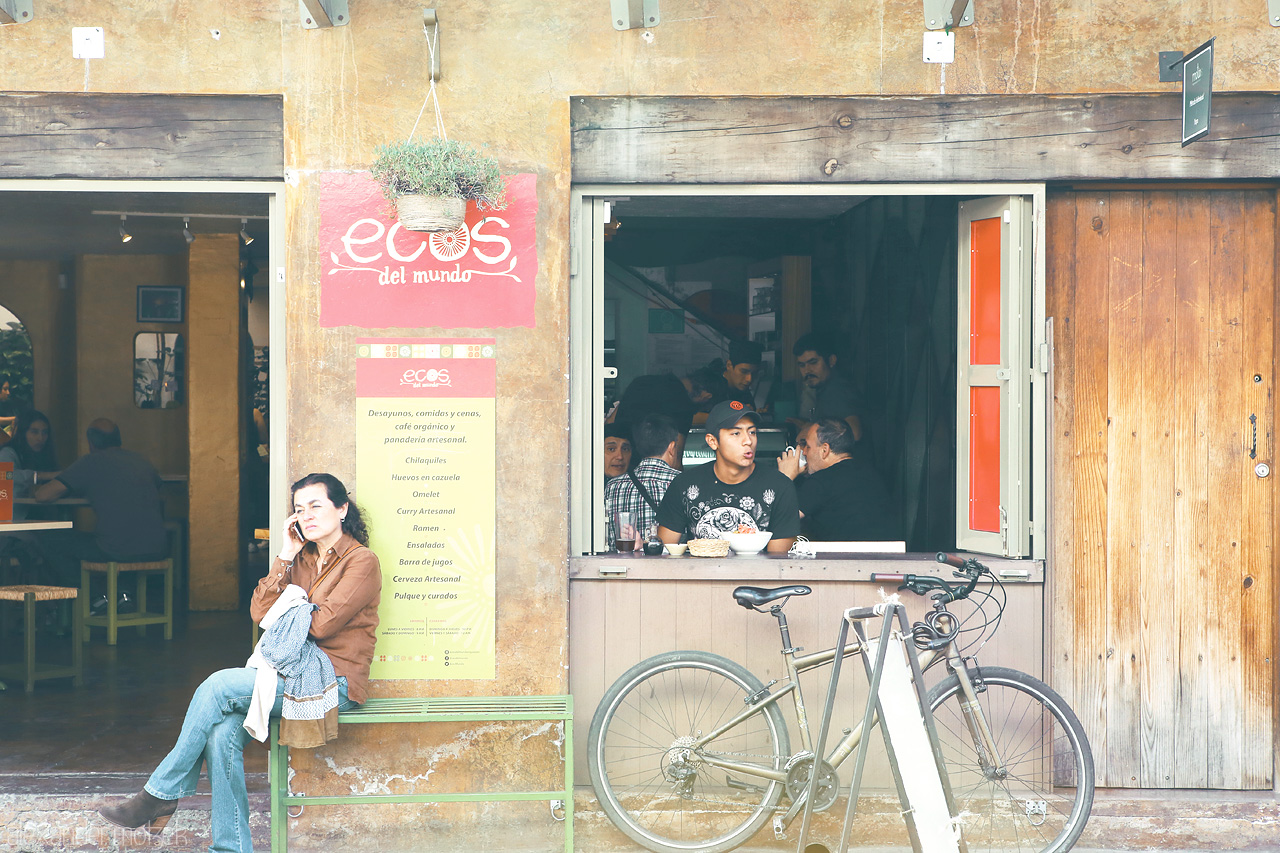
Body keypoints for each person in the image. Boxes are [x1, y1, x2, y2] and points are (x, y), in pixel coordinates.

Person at [97, 473, 381, 852]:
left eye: (316, 506)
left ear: (342, 509)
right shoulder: (301, 559)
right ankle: (230, 848)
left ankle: (159, 795)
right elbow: (260, 612)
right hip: (289, 673)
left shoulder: (361, 562)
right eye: (299, 509)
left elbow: (322, 625)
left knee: (218, 685)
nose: (307, 516)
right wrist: (286, 555)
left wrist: (291, 609)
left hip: (333, 681)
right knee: (221, 735)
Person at [35, 418, 167, 586]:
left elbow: (43, 495)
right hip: (158, 548)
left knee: (49, 540)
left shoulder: (90, 462)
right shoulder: (141, 461)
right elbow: (156, 487)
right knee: (115, 539)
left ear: (91, 442)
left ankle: (91, 594)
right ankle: (121, 592)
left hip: (116, 550)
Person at [657, 400, 800, 553]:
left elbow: (778, 561)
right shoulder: (685, 485)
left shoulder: (779, 487)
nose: (748, 441)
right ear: (712, 441)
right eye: (736, 433)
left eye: (752, 432)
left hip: (759, 569)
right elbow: (664, 552)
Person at [777, 418, 899, 541]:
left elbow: (780, 520)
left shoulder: (822, 480)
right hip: (891, 551)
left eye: (808, 446)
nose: (804, 452)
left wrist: (785, 477)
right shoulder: (871, 473)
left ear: (824, 450)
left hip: (848, 553)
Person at [605, 413, 684, 545]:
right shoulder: (682, 482)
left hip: (621, 558)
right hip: (670, 559)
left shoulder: (612, 486)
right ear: (671, 447)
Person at [790, 332, 864, 441]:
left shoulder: (838, 389)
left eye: (813, 362)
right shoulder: (825, 388)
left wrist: (812, 429)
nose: (807, 370)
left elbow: (854, 432)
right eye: (802, 365)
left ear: (831, 360)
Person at [0, 409, 56, 521]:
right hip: (9, 521)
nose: (40, 438)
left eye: (44, 432)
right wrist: (41, 476)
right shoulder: (8, 453)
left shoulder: (45, 456)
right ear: (23, 433)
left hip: (40, 518)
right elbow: (6, 476)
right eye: (34, 432)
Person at [691, 339, 763, 424]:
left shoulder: (744, 391)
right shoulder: (706, 383)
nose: (749, 379)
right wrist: (730, 416)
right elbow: (685, 416)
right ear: (729, 365)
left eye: (754, 373)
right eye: (744, 371)